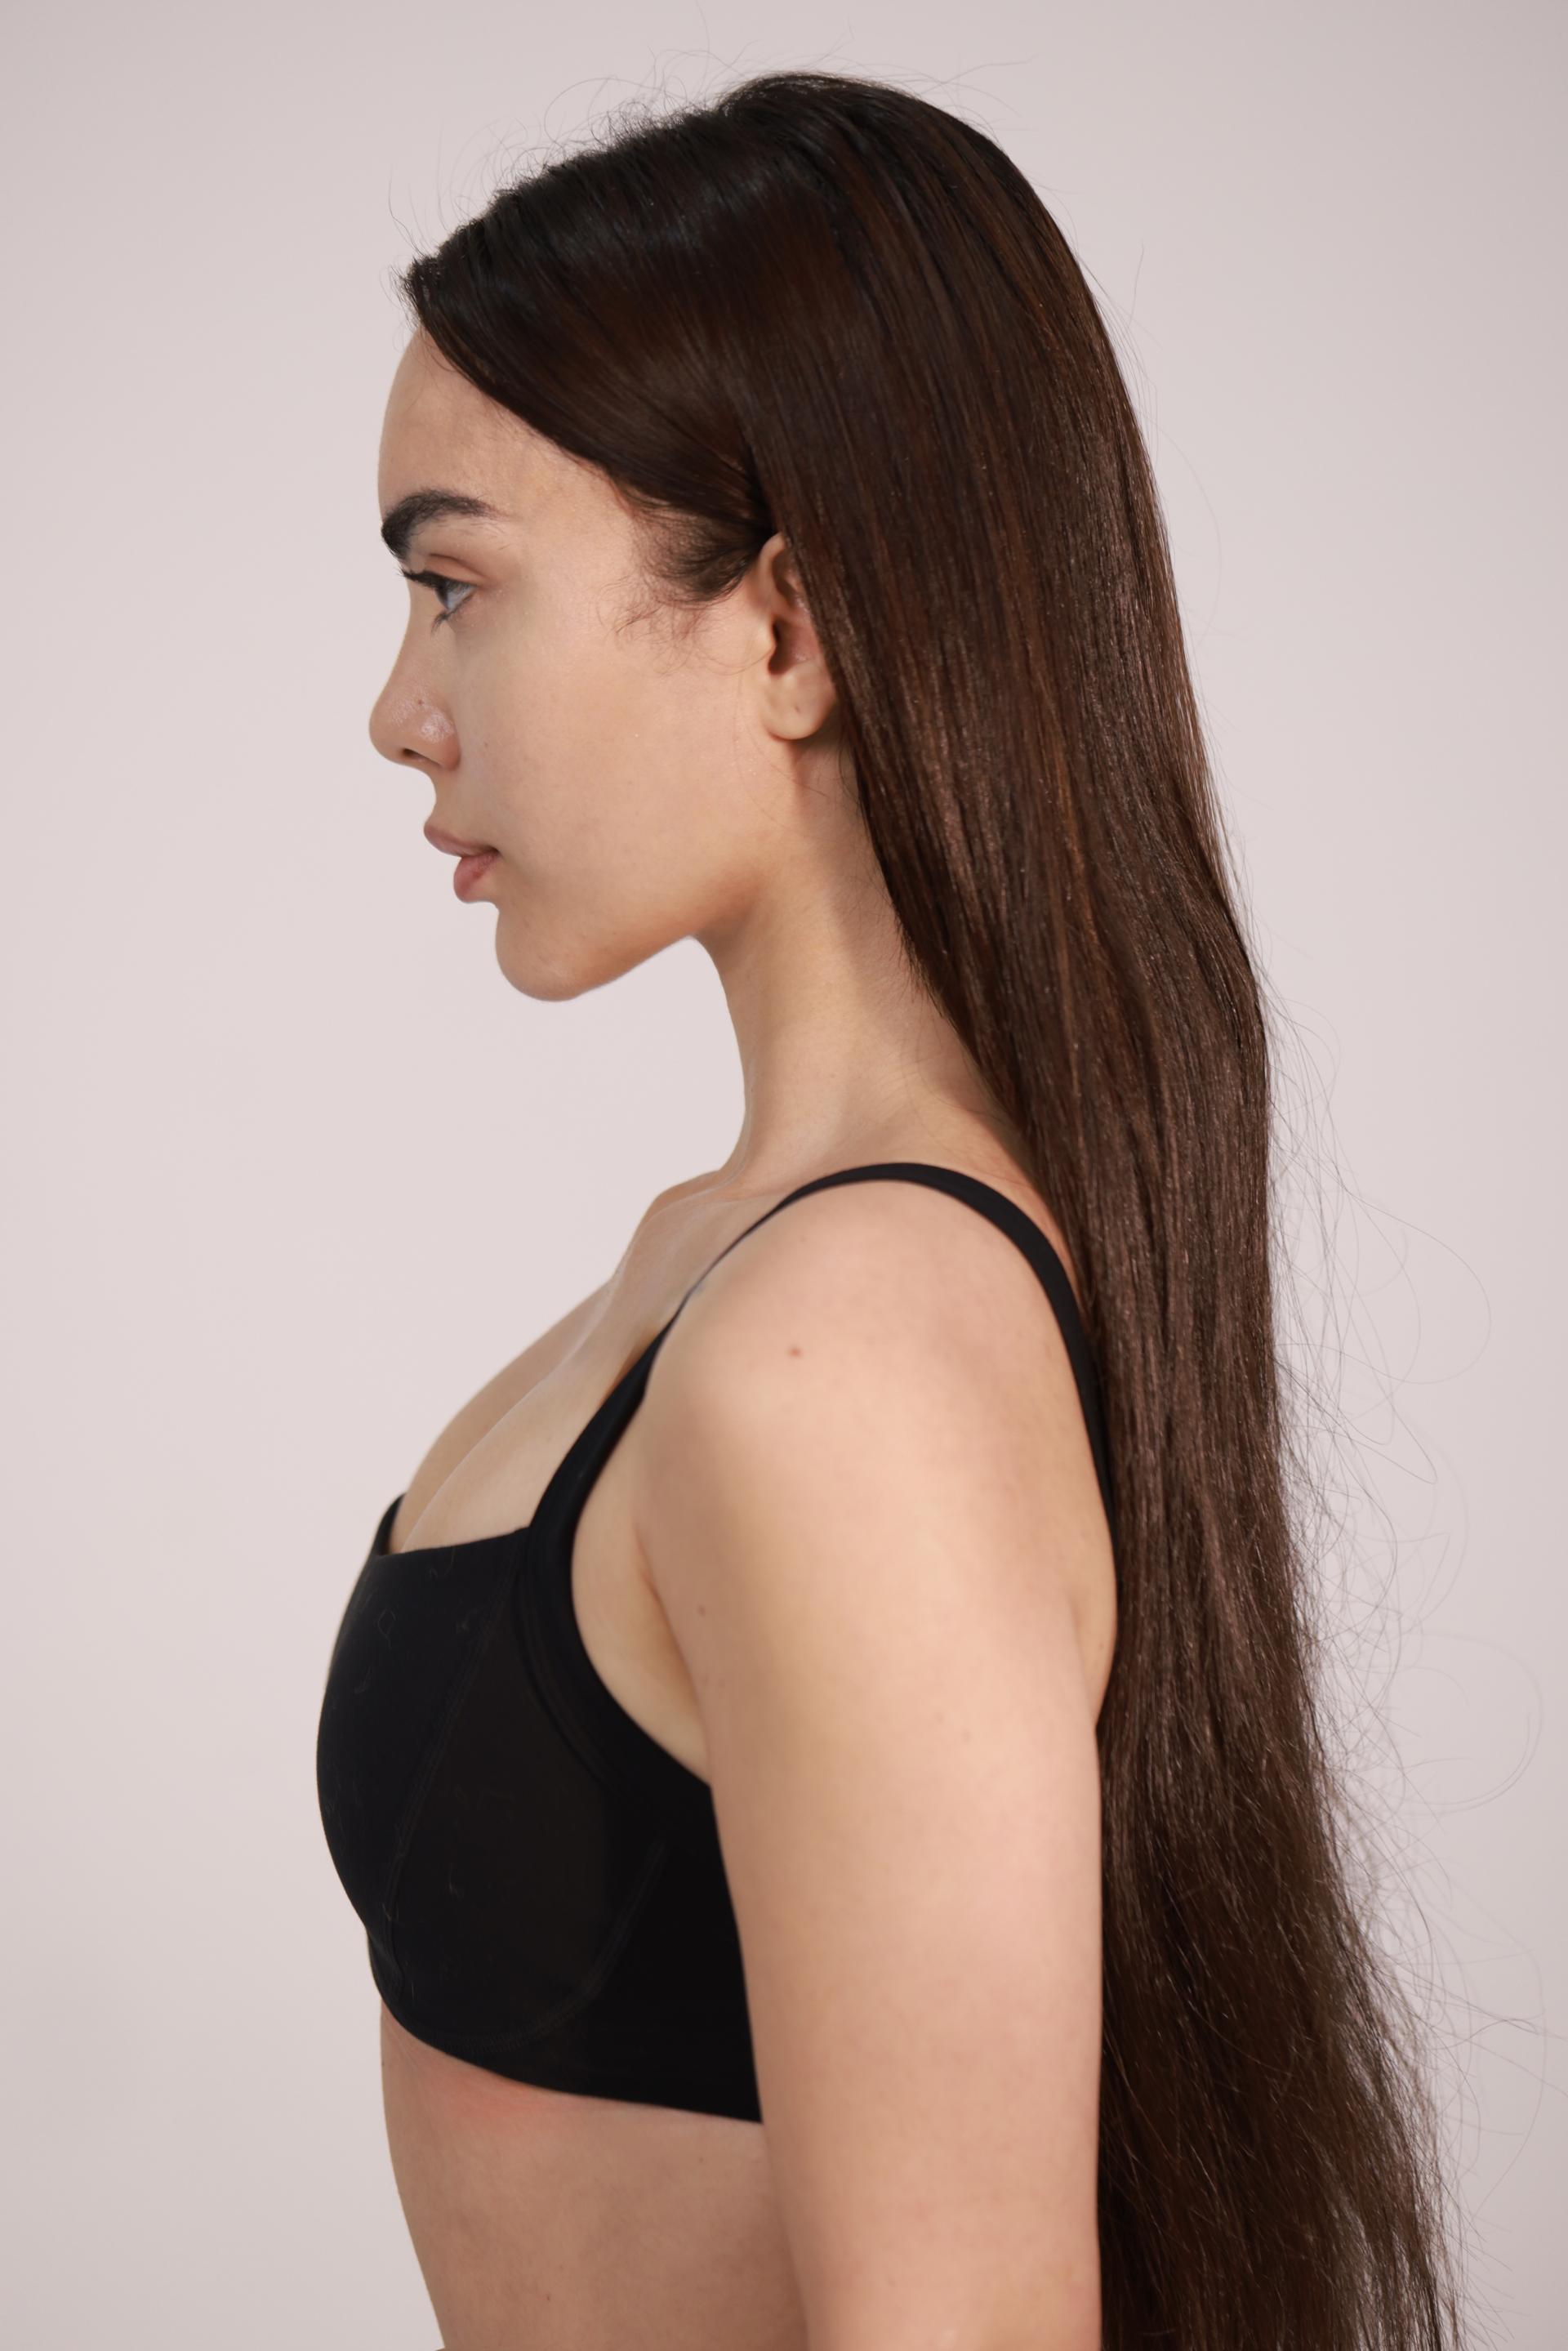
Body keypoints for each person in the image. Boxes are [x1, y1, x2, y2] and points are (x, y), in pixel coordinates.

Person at [315, 68, 1464, 2351]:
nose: (396, 711)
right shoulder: (742, 1260)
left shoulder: (840, 1348)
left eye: (457, 588)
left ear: (790, 625)